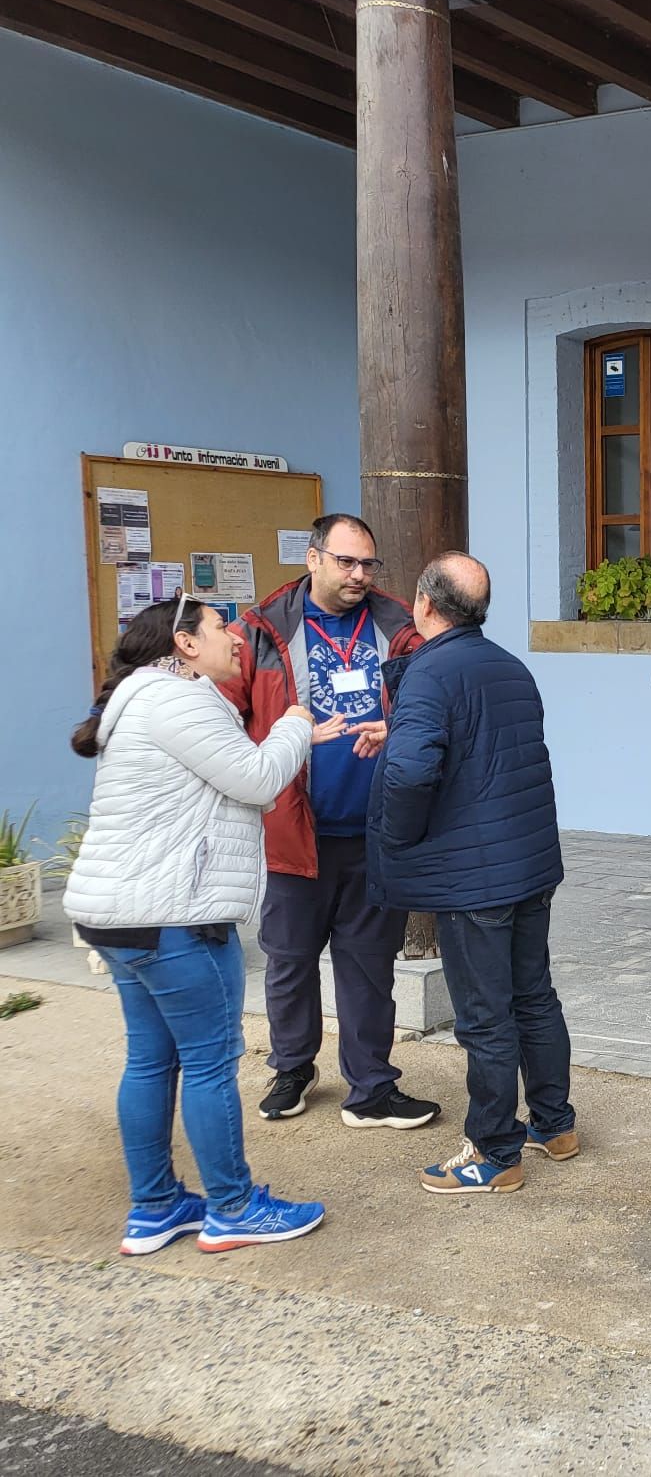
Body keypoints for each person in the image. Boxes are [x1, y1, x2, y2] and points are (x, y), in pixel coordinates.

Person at [66, 594, 340, 1254]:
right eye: (222, 628)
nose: (237, 638)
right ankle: (233, 1207)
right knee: (211, 1063)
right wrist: (296, 724)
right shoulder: (180, 701)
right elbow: (254, 780)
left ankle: (155, 1208)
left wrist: (290, 738)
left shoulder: (140, 700)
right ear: (185, 643)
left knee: (151, 1061)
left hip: (123, 919)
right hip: (174, 921)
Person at [219, 513, 439, 1132]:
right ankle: (293, 1068)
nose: (359, 575)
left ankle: (371, 1087)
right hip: (295, 829)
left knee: (369, 964)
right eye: (346, 562)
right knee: (288, 960)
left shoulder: (400, 624)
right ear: (313, 558)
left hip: (375, 830)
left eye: (368, 563)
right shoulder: (260, 631)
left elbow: (434, 702)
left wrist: (398, 729)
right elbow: (221, 717)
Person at [368, 554, 573, 1194]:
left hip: (472, 876)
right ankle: (554, 1123)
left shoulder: (430, 673)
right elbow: (480, 746)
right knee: (532, 994)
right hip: (526, 862)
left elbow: (409, 774)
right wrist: (402, 729)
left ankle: (492, 1151)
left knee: (484, 1016)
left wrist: (399, 837)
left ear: (425, 603)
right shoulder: (508, 666)